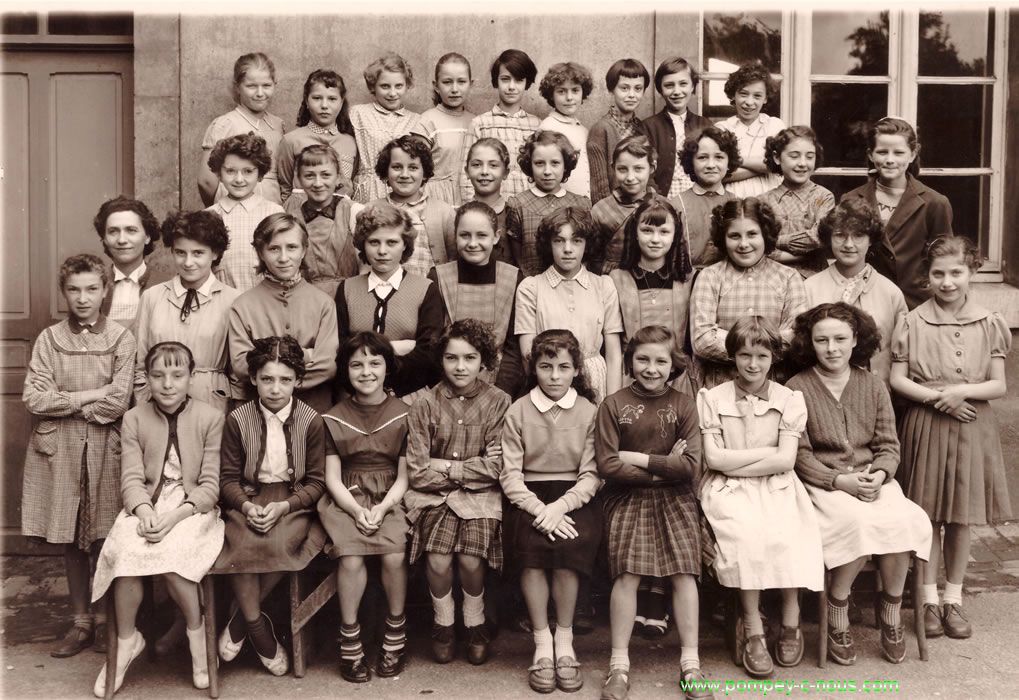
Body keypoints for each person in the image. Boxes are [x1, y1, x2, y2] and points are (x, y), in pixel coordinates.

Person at [787, 303, 932, 665]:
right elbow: (800, 454)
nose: (831, 348)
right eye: (822, 340)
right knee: (856, 522)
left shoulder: (873, 385)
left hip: (874, 480)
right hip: (825, 485)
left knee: (905, 520)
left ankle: (891, 613)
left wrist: (880, 475)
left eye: (840, 339)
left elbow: (888, 445)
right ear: (810, 343)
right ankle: (837, 607)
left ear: (856, 341)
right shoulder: (796, 387)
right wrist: (839, 480)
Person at [890, 235, 1012, 640]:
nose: (947, 282)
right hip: (927, 424)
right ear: (926, 276)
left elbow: (997, 386)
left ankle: (952, 598)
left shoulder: (990, 322)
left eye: (956, 272)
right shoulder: (912, 321)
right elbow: (898, 379)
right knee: (927, 517)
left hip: (972, 424)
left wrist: (962, 393)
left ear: (972, 272)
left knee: (961, 518)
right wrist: (943, 399)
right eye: (938, 273)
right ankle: (926, 599)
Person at [90, 342, 224, 696]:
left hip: (192, 508)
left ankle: (199, 644)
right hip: (146, 505)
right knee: (126, 556)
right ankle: (126, 642)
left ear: (191, 378)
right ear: (146, 378)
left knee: (175, 559)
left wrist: (176, 516)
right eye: (158, 375)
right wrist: (145, 511)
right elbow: (132, 478)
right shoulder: (134, 417)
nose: (167, 384)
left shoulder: (210, 418)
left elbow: (211, 485)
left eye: (177, 375)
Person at [22, 254, 135, 658]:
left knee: (105, 534)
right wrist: (89, 395)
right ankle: (80, 621)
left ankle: (107, 622)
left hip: (107, 446)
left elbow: (118, 401)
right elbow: (35, 398)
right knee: (70, 537)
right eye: (74, 290)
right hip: (61, 451)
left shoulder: (121, 338)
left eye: (91, 289)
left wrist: (70, 404)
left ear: (106, 290)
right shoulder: (50, 339)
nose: (83, 298)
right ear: (63, 292)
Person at [696, 317, 823, 677]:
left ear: (774, 358)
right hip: (727, 488)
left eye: (762, 356)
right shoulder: (712, 397)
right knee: (746, 536)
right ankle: (753, 628)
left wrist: (737, 463)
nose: (753, 364)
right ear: (733, 357)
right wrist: (759, 460)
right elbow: (714, 460)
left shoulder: (789, 399)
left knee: (788, 533)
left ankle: (790, 620)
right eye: (744, 355)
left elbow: (787, 459)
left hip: (779, 485)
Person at [595, 325, 709, 700]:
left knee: (683, 573)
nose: (651, 368)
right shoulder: (613, 404)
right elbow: (609, 466)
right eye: (642, 359)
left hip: (676, 497)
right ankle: (619, 665)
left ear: (672, 364)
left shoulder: (683, 404)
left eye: (661, 360)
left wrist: (640, 459)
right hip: (626, 498)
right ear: (630, 361)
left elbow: (691, 465)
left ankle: (691, 664)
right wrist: (664, 465)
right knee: (627, 573)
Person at [214, 335, 327, 677]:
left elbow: (317, 482)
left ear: (298, 381)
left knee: (280, 543)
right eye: (267, 379)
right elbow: (228, 478)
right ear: (253, 380)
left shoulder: (311, 420)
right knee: (245, 543)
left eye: (285, 380)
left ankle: (239, 622)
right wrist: (247, 507)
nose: (275, 388)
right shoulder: (238, 418)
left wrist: (286, 506)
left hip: (293, 502)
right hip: (248, 497)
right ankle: (259, 630)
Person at [404, 320, 512, 666]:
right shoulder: (424, 403)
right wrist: (471, 466)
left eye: (470, 358)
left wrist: (446, 467)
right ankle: (443, 622)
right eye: (452, 358)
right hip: (433, 498)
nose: (460, 366)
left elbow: (496, 468)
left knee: (470, 558)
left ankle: (475, 620)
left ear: (484, 362)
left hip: (481, 498)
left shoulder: (499, 402)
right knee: (437, 558)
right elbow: (418, 471)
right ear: (441, 361)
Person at [500, 329, 602, 694]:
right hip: (529, 495)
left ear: (577, 370)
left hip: (573, 495)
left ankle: (565, 640)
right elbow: (510, 476)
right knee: (530, 551)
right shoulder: (518, 410)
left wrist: (559, 507)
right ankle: (542, 643)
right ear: (535, 369)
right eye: (546, 367)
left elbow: (592, 474)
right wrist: (539, 509)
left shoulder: (590, 412)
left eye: (563, 367)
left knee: (568, 551)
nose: (555, 376)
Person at [318, 332, 411, 682]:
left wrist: (384, 507)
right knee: (352, 555)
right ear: (345, 370)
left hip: (391, 495)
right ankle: (350, 637)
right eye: (356, 364)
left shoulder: (405, 414)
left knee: (393, 553)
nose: (366, 371)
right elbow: (331, 478)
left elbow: (404, 476)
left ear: (388, 367)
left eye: (375, 363)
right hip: (347, 497)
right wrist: (357, 511)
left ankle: (395, 635)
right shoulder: (333, 417)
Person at [690, 198, 806, 390]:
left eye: (752, 234)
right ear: (723, 238)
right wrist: (765, 346)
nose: (744, 244)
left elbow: (794, 337)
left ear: (765, 235)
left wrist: (729, 340)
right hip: (721, 386)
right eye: (734, 236)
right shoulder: (709, 277)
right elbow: (702, 340)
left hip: (775, 386)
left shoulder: (788, 277)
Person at [334, 202, 447, 399]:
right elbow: (341, 348)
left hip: (410, 395)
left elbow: (429, 353)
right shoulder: (347, 289)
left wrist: (389, 387)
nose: (382, 251)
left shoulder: (425, 289)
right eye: (374, 242)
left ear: (405, 244)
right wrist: (396, 348)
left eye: (392, 242)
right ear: (363, 244)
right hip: (357, 395)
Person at [228, 213, 339, 413]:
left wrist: (267, 370)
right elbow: (242, 365)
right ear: (261, 253)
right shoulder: (242, 305)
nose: (284, 258)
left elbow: (327, 366)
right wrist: (305, 355)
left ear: (304, 250)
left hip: (314, 411)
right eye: (273, 249)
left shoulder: (323, 303)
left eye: (292, 247)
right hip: (259, 413)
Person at [840, 116, 953, 309]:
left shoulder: (934, 203)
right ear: (870, 154)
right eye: (882, 152)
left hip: (915, 304)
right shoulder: (850, 199)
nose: (890, 160)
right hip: (865, 303)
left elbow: (945, 260)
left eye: (899, 152)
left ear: (912, 154)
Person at [515, 207, 623, 403]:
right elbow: (528, 354)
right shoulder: (531, 288)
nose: (567, 249)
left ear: (586, 244)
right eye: (559, 240)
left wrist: (611, 404)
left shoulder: (603, 285)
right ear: (549, 244)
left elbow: (614, 353)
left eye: (576, 241)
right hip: (549, 381)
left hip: (596, 382)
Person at [135, 210, 239, 414]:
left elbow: (238, 373)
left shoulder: (233, 300)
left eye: (198, 253)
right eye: (180, 252)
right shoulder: (152, 297)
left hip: (211, 403)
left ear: (215, 253)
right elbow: (140, 365)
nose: (188, 262)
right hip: (158, 404)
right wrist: (142, 409)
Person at [804, 199, 906, 384]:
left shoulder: (890, 293)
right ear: (829, 238)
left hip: (877, 391)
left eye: (858, 236)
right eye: (840, 235)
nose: (849, 244)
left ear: (871, 240)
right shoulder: (809, 288)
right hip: (821, 390)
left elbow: (901, 353)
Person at [429, 200, 524, 396]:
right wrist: (448, 390)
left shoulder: (514, 278)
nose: (473, 243)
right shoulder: (438, 277)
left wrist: (498, 394)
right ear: (455, 236)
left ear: (496, 237)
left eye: (481, 235)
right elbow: (432, 343)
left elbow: (513, 349)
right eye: (465, 235)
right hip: (447, 386)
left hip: (498, 387)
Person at [609, 197, 694, 390]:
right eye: (647, 230)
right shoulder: (616, 279)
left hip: (677, 380)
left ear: (675, 235)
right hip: (629, 378)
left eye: (664, 232)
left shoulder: (689, 279)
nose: (655, 239)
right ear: (635, 233)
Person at [198, 52, 284, 206]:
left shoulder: (278, 125)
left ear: (274, 84)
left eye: (266, 86)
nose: (260, 93)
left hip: (272, 211)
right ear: (237, 87)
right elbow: (206, 182)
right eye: (251, 86)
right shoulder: (225, 124)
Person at [505, 130, 593, 277]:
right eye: (539, 163)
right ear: (529, 165)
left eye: (555, 163)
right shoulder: (518, 205)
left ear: (565, 165)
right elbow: (518, 258)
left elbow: (587, 252)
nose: (547, 171)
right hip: (533, 287)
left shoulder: (582, 204)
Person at [206, 132, 285, 292]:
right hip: (222, 302)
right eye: (230, 171)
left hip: (264, 301)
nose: (239, 179)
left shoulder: (273, 212)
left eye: (248, 171)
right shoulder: (209, 216)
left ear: (260, 174)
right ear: (219, 174)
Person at [369, 134, 456, 279]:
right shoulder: (372, 210)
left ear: (425, 173)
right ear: (385, 171)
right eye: (397, 167)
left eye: (413, 167)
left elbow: (453, 260)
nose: (404, 174)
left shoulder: (444, 212)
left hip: (430, 293)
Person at [283, 144, 364, 297]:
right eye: (309, 176)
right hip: (306, 298)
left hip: (349, 296)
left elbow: (366, 264)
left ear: (338, 177)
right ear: (299, 179)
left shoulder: (354, 212)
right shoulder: (292, 218)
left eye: (326, 175)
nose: (318, 183)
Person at [465, 49, 541, 200]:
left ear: (527, 83)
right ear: (496, 81)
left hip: (527, 208)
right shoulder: (480, 124)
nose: (511, 86)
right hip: (489, 209)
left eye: (518, 80)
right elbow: (465, 177)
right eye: (505, 79)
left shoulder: (537, 126)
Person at [759, 125, 835, 277]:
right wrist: (803, 253)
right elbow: (758, 246)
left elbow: (818, 237)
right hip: (772, 278)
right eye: (794, 156)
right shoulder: (762, 201)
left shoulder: (823, 197)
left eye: (809, 156)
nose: (802, 163)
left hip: (814, 278)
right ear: (777, 157)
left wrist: (776, 241)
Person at [275, 69, 357, 202]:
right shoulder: (292, 140)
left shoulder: (350, 142)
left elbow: (350, 184)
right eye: (317, 98)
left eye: (332, 99)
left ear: (341, 103)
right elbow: (285, 187)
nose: (324, 105)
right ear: (307, 101)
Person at [349, 52, 420, 203]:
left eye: (398, 86)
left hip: (403, 187)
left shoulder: (417, 120)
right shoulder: (359, 113)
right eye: (385, 86)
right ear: (373, 86)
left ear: (407, 86)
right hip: (369, 189)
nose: (392, 93)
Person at [93, 196, 171, 333]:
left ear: (147, 237)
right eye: (113, 231)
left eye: (131, 230)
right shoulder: (92, 284)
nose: (122, 240)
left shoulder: (168, 285)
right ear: (104, 239)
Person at [590, 135, 662, 275]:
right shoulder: (601, 210)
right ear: (613, 168)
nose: (630, 177)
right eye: (622, 169)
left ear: (652, 168)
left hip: (653, 278)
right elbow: (592, 257)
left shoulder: (664, 206)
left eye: (638, 169)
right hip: (611, 280)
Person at [642, 56, 712, 200]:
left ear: (692, 86)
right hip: (663, 199)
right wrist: (656, 199)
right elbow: (644, 169)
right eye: (669, 85)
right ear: (660, 89)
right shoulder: (649, 126)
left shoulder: (705, 125)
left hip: (699, 197)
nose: (677, 91)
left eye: (683, 84)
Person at [671, 126, 739, 267]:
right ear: (691, 162)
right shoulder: (677, 205)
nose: (711, 165)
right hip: (688, 280)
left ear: (729, 162)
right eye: (702, 158)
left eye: (719, 157)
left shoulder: (737, 203)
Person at [413, 53, 476, 206]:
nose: (454, 89)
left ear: (471, 84)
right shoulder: (427, 121)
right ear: (436, 86)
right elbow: (415, 167)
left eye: (461, 82)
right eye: (447, 82)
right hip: (435, 199)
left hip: (469, 196)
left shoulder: (475, 122)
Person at [587, 58, 650, 205]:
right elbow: (599, 185)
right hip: (612, 213)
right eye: (624, 88)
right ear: (611, 90)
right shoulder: (601, 129)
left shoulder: (643, 129)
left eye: (638, 88)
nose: (632, 95)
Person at [717, 61, 785, 198]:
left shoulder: (775, 125)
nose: (749, 102)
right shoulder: (722, 128)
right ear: (733, 95)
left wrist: (736, 160)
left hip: (772, 199)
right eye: (743, 94)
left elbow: (781, 164)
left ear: (765, 98)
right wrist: (766, 167)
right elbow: (719, 173)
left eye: (757, 96)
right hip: (732, 200)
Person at [538, 62, 595, 198]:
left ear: (583, 93)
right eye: (561, 91)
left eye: (575, 90)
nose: (569, 98)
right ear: (551, 95)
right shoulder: (548, 127)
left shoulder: (583, 130)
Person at [464, 137, 513, 263]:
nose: (484, 171)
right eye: (476, 165)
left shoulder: (514, 215)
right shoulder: (458, 216)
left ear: (505, 172)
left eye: (493, 165)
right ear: (467, 172)